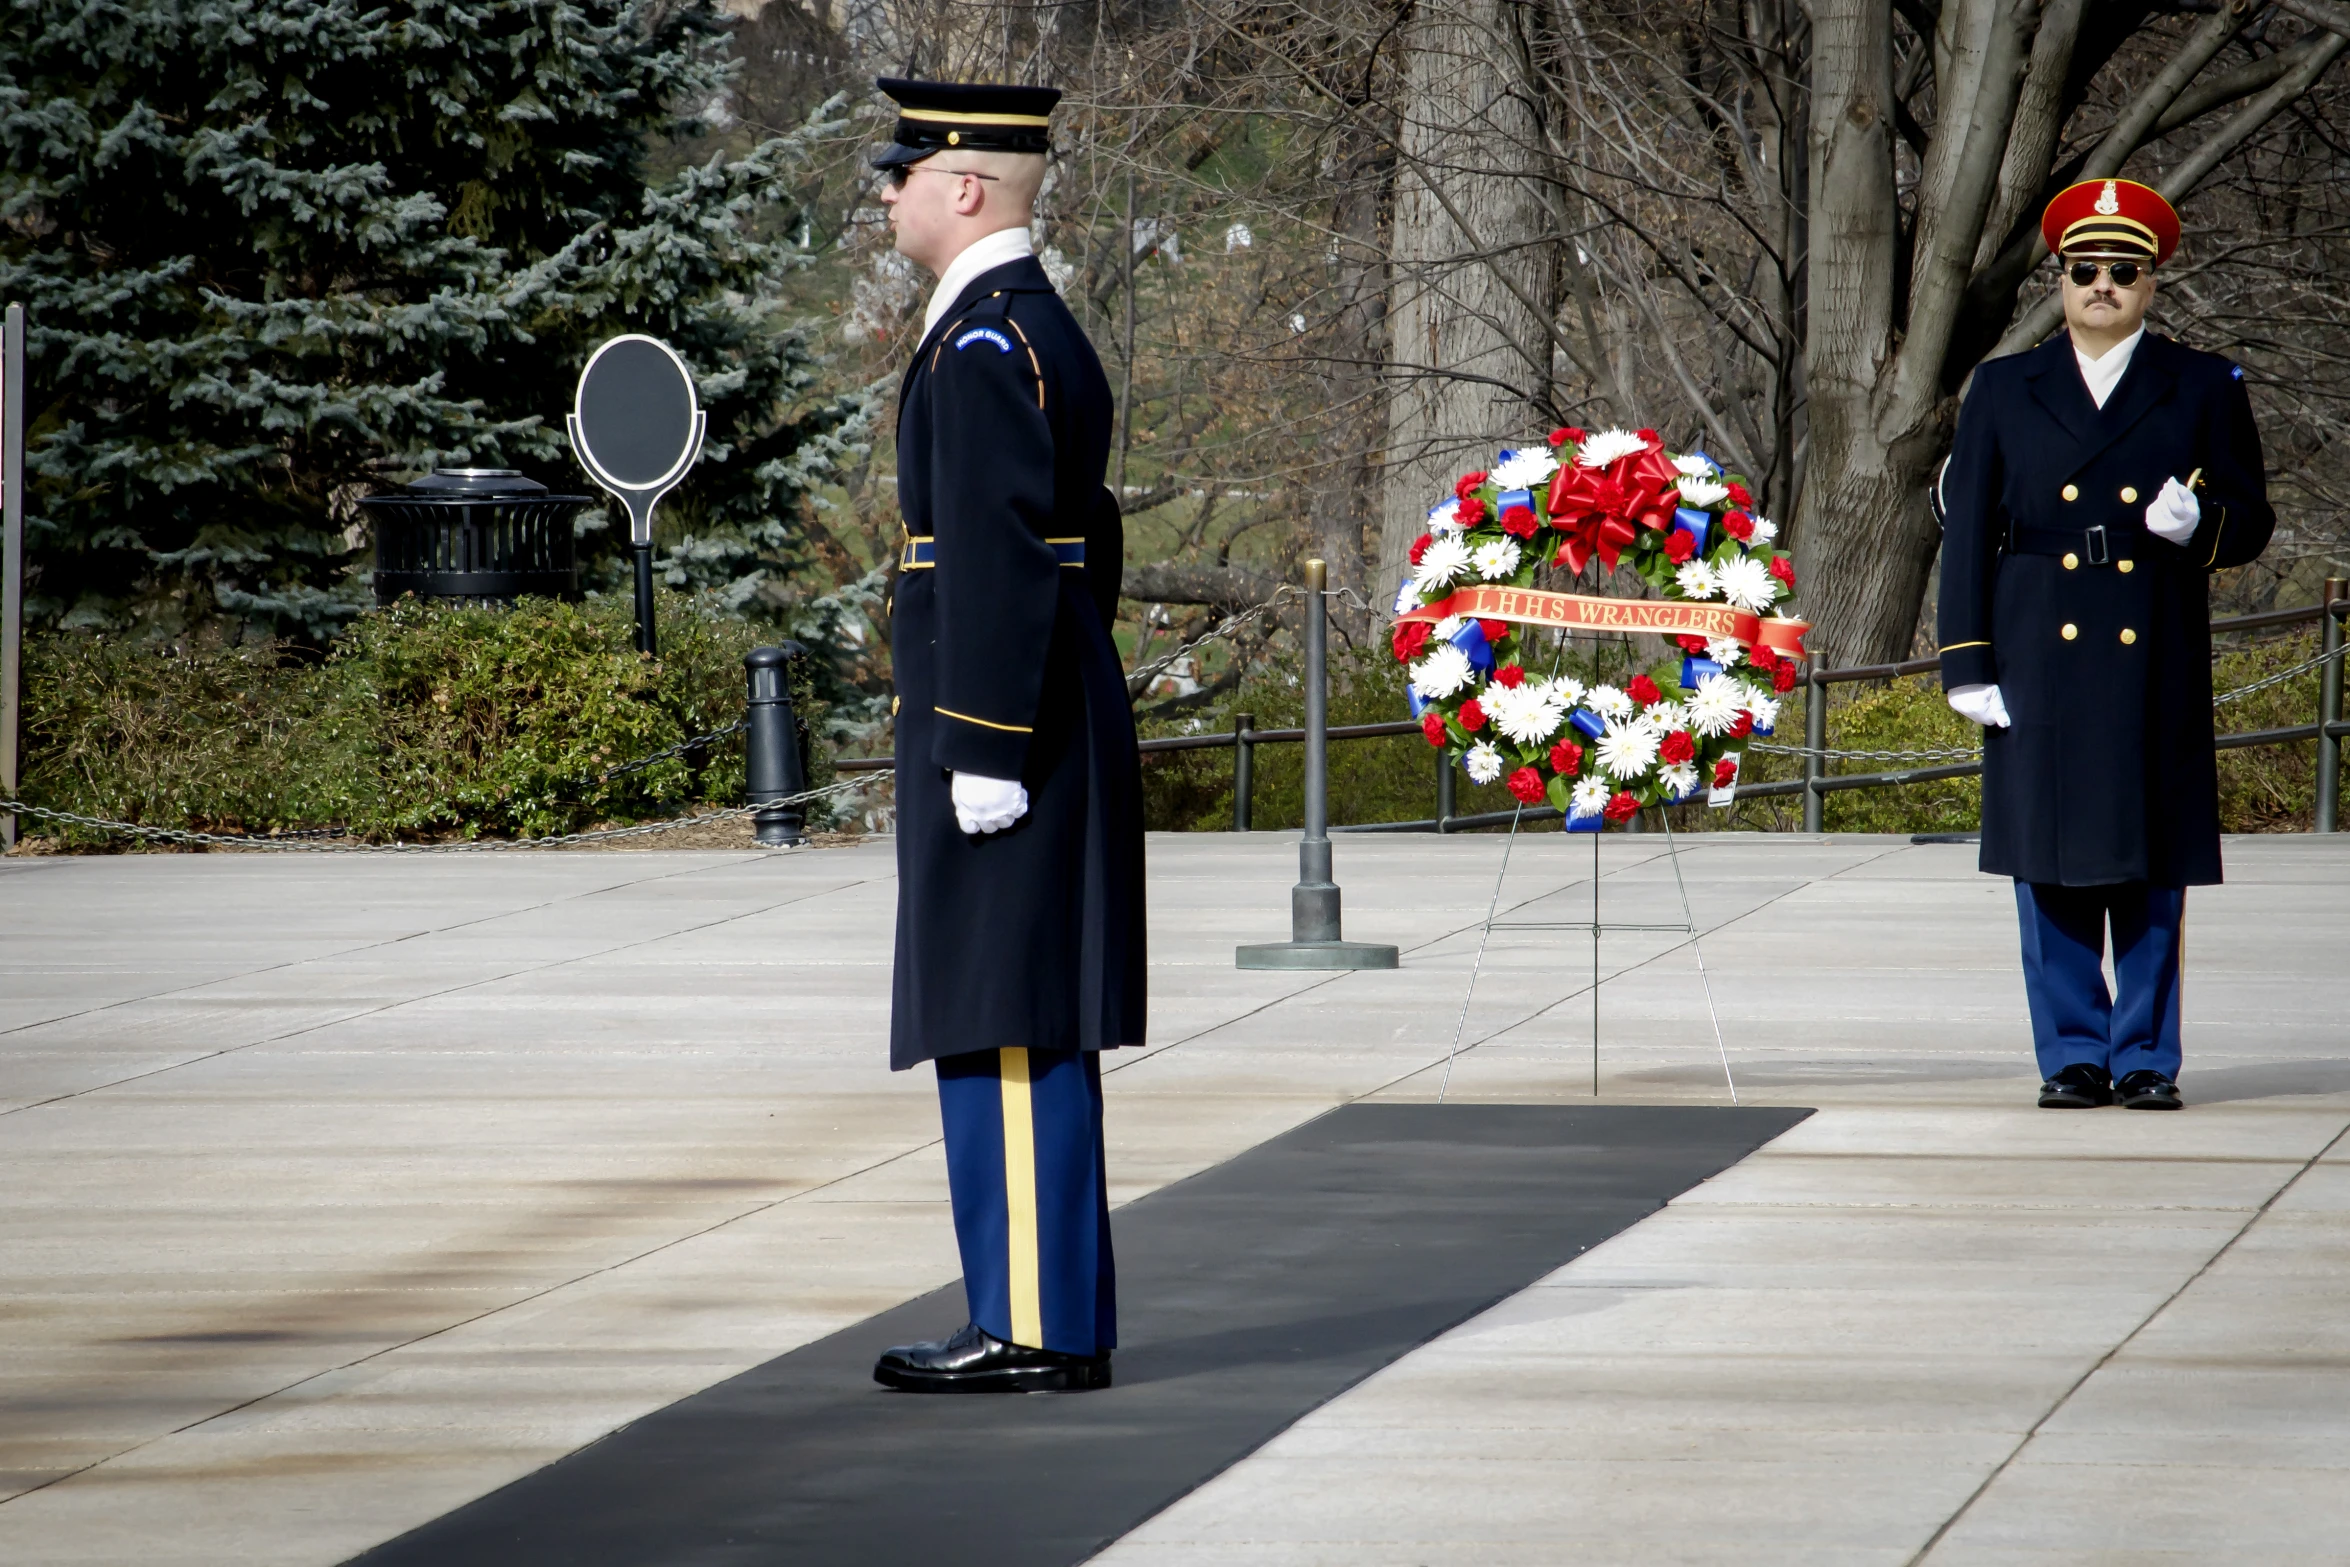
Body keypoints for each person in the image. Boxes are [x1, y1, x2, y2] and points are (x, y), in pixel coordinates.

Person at [865, 77, 1147, 1392]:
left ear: (964, 187)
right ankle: (1037, 1308)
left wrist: (985, 739)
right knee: (1002, 1011)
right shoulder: (1021, 332)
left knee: (1014, 1016)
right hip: (1030, 706)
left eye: (903, 169)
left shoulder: (987, 343)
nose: (888, 189)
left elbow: (1000, 553)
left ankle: (1033, 1321)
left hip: (1004, 728)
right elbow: (1087, 549)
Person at [1937, 177, 2273, 1112]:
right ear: (2059, 280)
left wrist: (2200, 521)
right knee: (2048, 861)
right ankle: (2074, 1052)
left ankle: (2147, 1056)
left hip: (2151, 638)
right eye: (2084, 269)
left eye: (2123, 270)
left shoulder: (2201, 382)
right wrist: (1966, 661)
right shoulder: (2006, 386)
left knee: (2152, 861)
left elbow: (2252, 519)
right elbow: (1967, 530)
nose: (2102, 284)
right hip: (2036, 635)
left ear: (2152, 282)